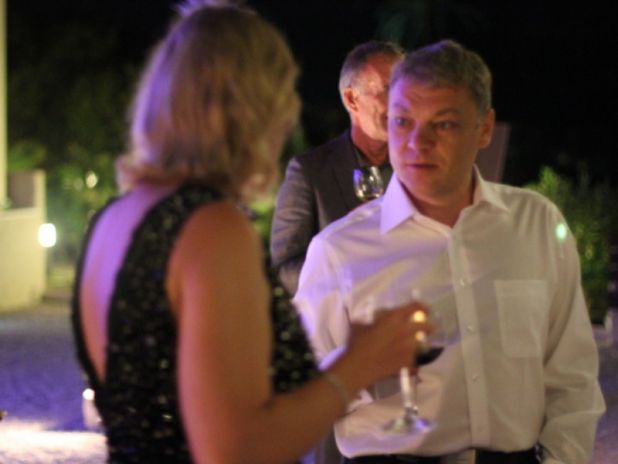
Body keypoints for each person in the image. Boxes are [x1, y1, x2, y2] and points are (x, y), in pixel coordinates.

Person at [70, 2, 428, 463]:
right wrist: (359, 364)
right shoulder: (213, 229)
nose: (287, 118)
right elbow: (236, 449)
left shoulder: (114, 219)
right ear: (254, 110)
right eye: (282, 97)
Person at [295, 39, 605, 464]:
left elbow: (572, 374)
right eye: (402, 121)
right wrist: (361, 367)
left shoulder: (534, 224)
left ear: (484, 128)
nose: (416, 143)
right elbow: (299, 398)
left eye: (442, 125)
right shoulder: (339, 250)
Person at [270, 40, 404, 296]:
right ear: (352, 99)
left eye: (405, 88)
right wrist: (350, 261)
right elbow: (285, 271)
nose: (401, 102)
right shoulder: (310, 172)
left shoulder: (416, 168)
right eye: (389, 88)